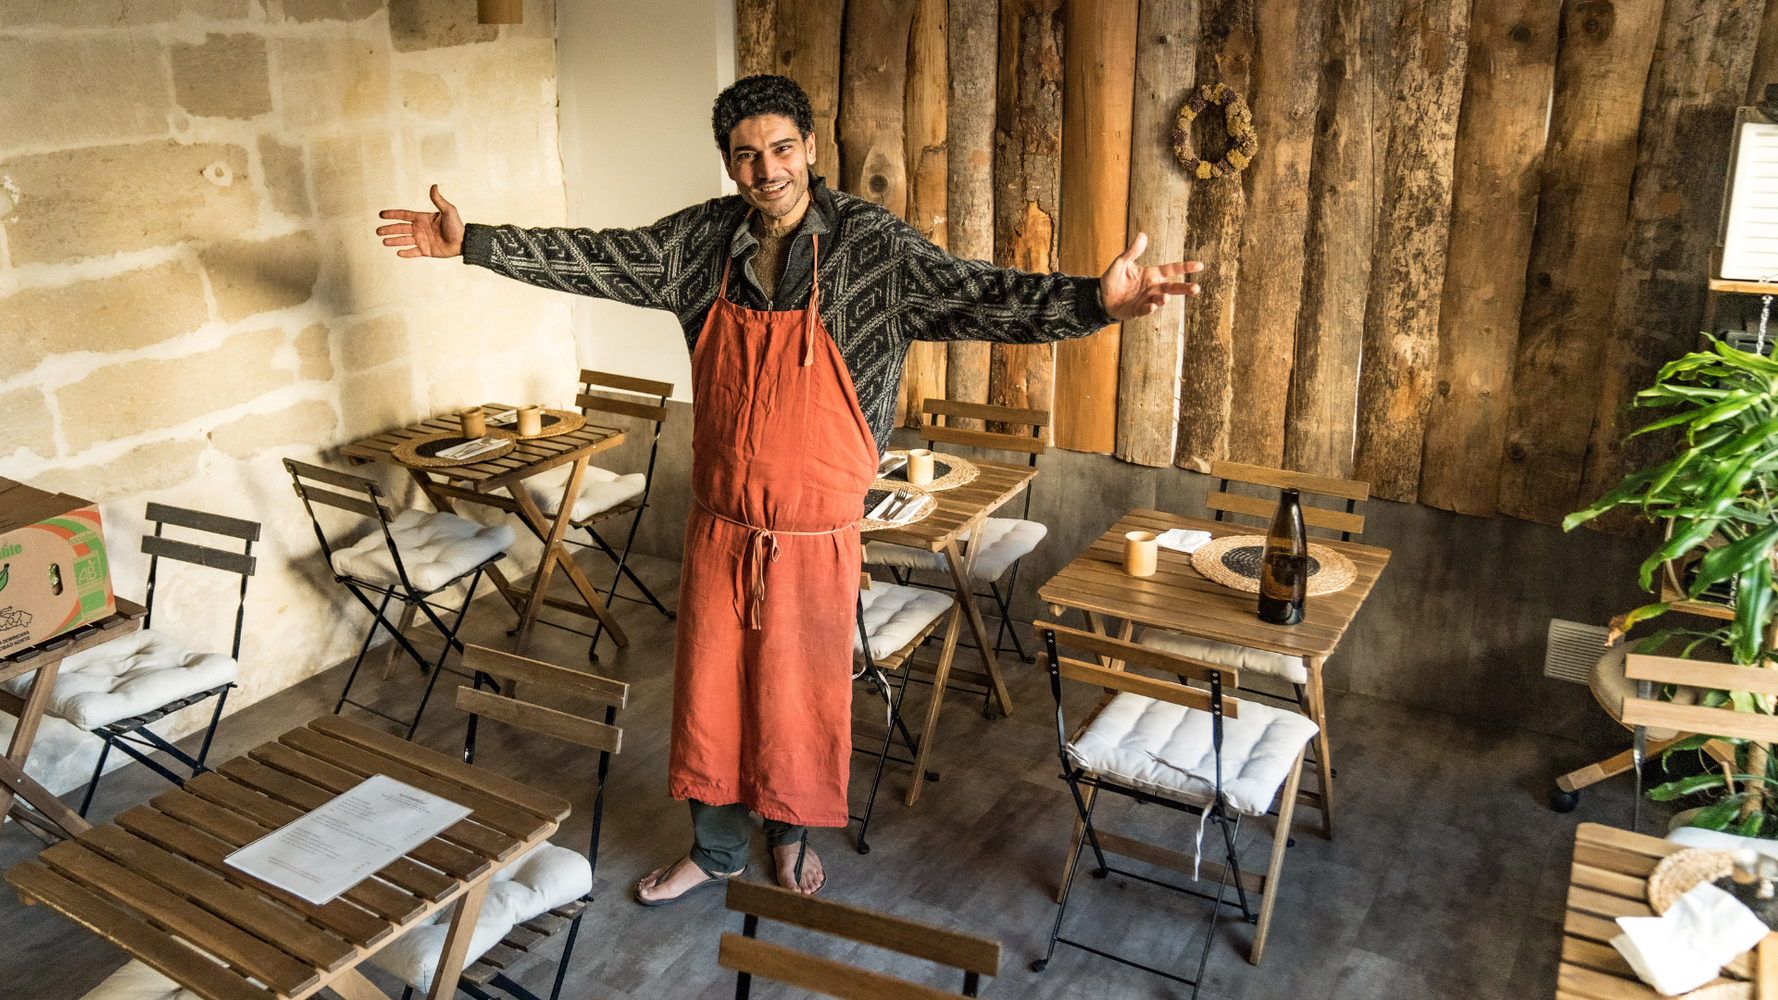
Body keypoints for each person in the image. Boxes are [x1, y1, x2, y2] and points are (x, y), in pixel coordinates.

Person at [376, 74, 1202, 905]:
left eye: (779, 148)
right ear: (730, 166)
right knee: (711, 696)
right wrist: (475, 242)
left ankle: (792, 832)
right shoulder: (699, 244)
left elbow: (979, 295)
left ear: (809, 147)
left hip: (817, 536)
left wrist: (1094, 300)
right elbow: (597, 256)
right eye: (746, 155)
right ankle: (717, 849)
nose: (765, 168)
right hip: (721, 524)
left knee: (799, 699)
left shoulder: (875, 249)